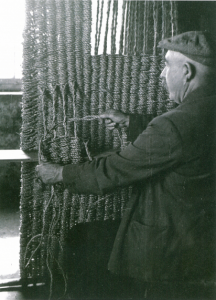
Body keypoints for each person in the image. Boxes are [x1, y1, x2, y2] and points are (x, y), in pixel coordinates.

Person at [36, 31, 216, 298]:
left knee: (81, 241)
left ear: (187, 72)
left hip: (173, 246)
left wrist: (60, 173)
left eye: (166, 65)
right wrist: (132, 121)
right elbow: (183, 137)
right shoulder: (201, 112)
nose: (161, 75)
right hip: (202, 234)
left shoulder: (173, 126)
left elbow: (115, 170)